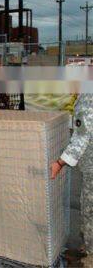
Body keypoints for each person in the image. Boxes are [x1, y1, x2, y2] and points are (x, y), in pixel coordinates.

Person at [51, 94, 93, 262]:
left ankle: (91, 254)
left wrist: (59, 163)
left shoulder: (87, 98)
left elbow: (82, 138)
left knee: (89, 210)